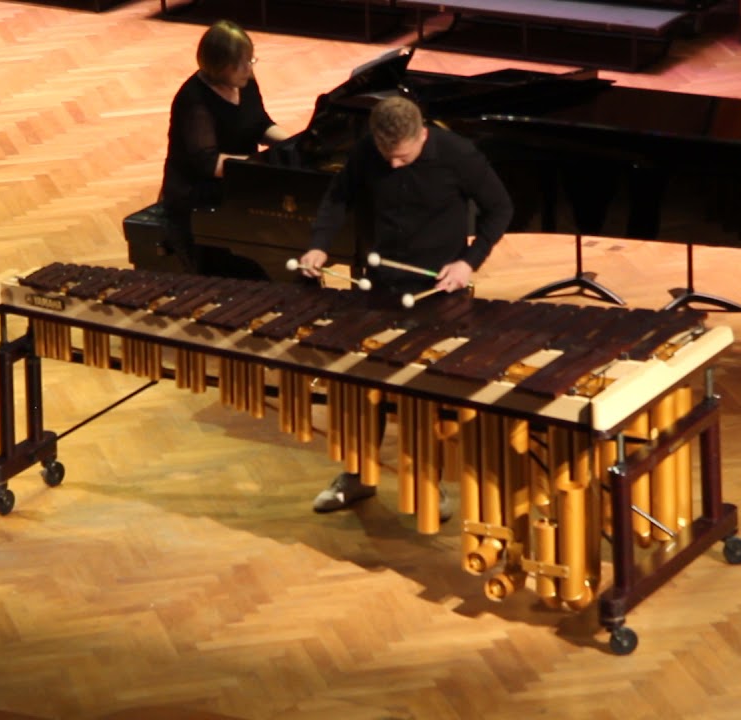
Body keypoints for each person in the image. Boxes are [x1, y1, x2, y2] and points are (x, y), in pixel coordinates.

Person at [296, 95, 514, 516]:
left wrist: (469, 262)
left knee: (424, 392)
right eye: (386, 156)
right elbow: (337, 197)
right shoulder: (366, 152)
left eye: (403, 157)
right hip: (378, 284)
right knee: (361, 383)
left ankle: (430, 484)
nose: (393, 165)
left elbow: (500, 208)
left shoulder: (457, 155)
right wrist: (319, 246)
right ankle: (359, 476)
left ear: (422, 135)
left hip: (439, 289)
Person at [159, 20, 291, 275]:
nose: (247, 68)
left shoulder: (244, 82)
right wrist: (261, 166)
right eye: (239, 63)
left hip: (239, 179)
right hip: (199, 196)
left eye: (250, 60)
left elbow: (259, 123)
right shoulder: (194, 101)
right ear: (218, 66)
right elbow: (208, 164)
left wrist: (293, 143)